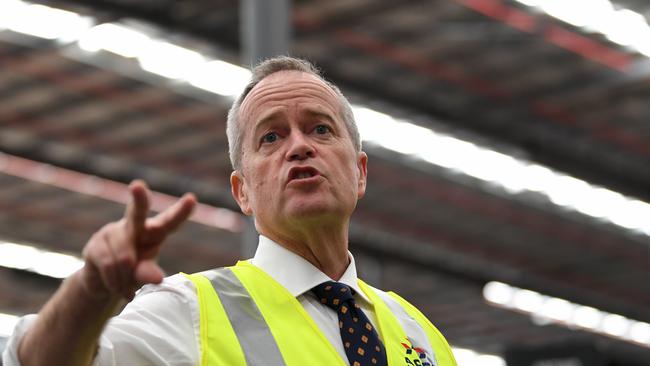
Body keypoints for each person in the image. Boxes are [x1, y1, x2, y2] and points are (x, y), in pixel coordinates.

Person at [3, 57, 457, 366]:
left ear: (359, 174)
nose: (299, 146)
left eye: (320, 128)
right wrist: (90, 291)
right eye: (271, 137)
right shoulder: (190, 310)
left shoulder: (418, 331)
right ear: (242, 192)